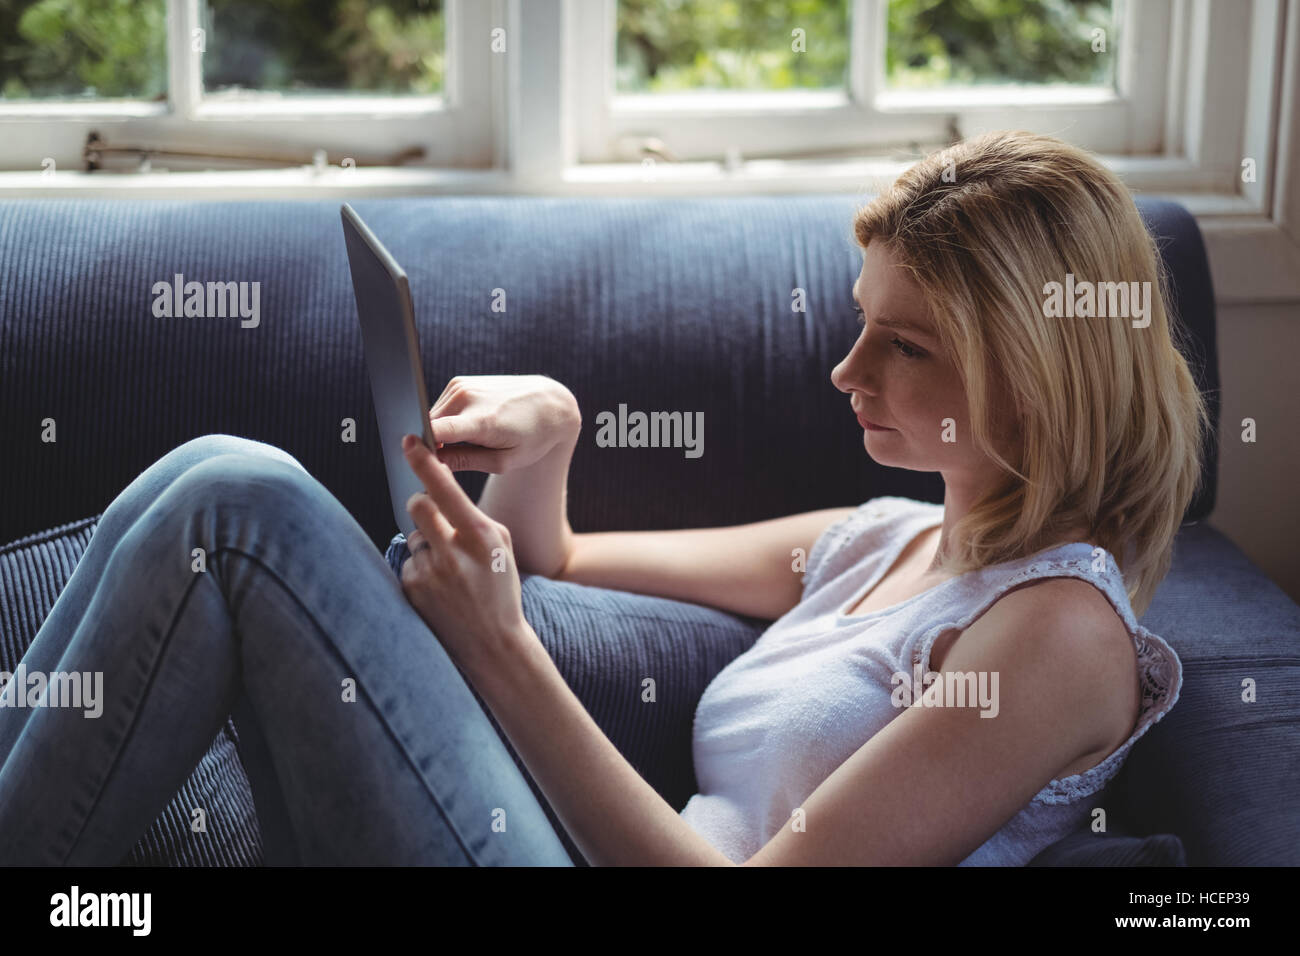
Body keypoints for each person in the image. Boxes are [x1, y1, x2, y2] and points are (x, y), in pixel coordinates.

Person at [0, 129, 1207, 866]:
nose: (847, 373)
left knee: (242, 503)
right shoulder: (880, 541)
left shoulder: (1057, 632)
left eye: (907, 347)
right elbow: (563, 558)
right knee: (205, 474)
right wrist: (551, 436)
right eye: (857, 327)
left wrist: (499, 645)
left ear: (1039, 373)